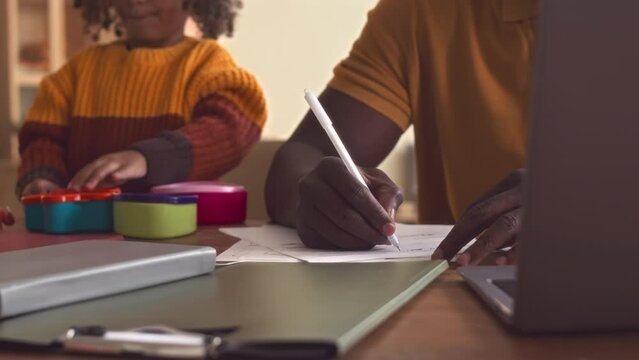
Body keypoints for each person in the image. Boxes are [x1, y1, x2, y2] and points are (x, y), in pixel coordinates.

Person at [265, 0, 536, 265]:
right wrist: (323, 202)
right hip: (453, 283)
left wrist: (574, 204)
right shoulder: (423, 11)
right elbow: (304, 155)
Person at [17, 0, 266, 197]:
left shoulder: (205, 63)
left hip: (182, 236)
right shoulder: (77, 72)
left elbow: (232, 125)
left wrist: (147, 158)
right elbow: (42, 138)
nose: (134, 1)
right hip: (85, 236)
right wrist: (43, 177)